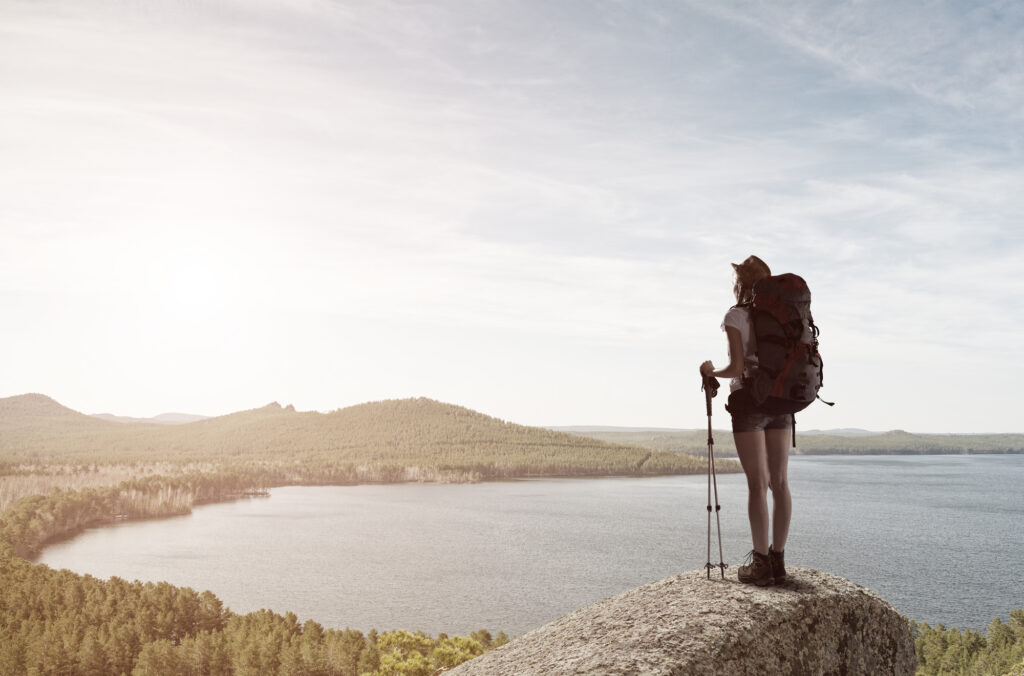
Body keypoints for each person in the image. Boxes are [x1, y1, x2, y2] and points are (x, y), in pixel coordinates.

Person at [699, 255, 790, 586]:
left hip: (750, 401)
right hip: (782, 401)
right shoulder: (781, 317)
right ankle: (778, 560)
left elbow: (736, 369)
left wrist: (711, 372)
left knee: (757, 484)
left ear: (740, 284)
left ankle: (760, 564)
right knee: (779, 482)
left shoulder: (735, 315)